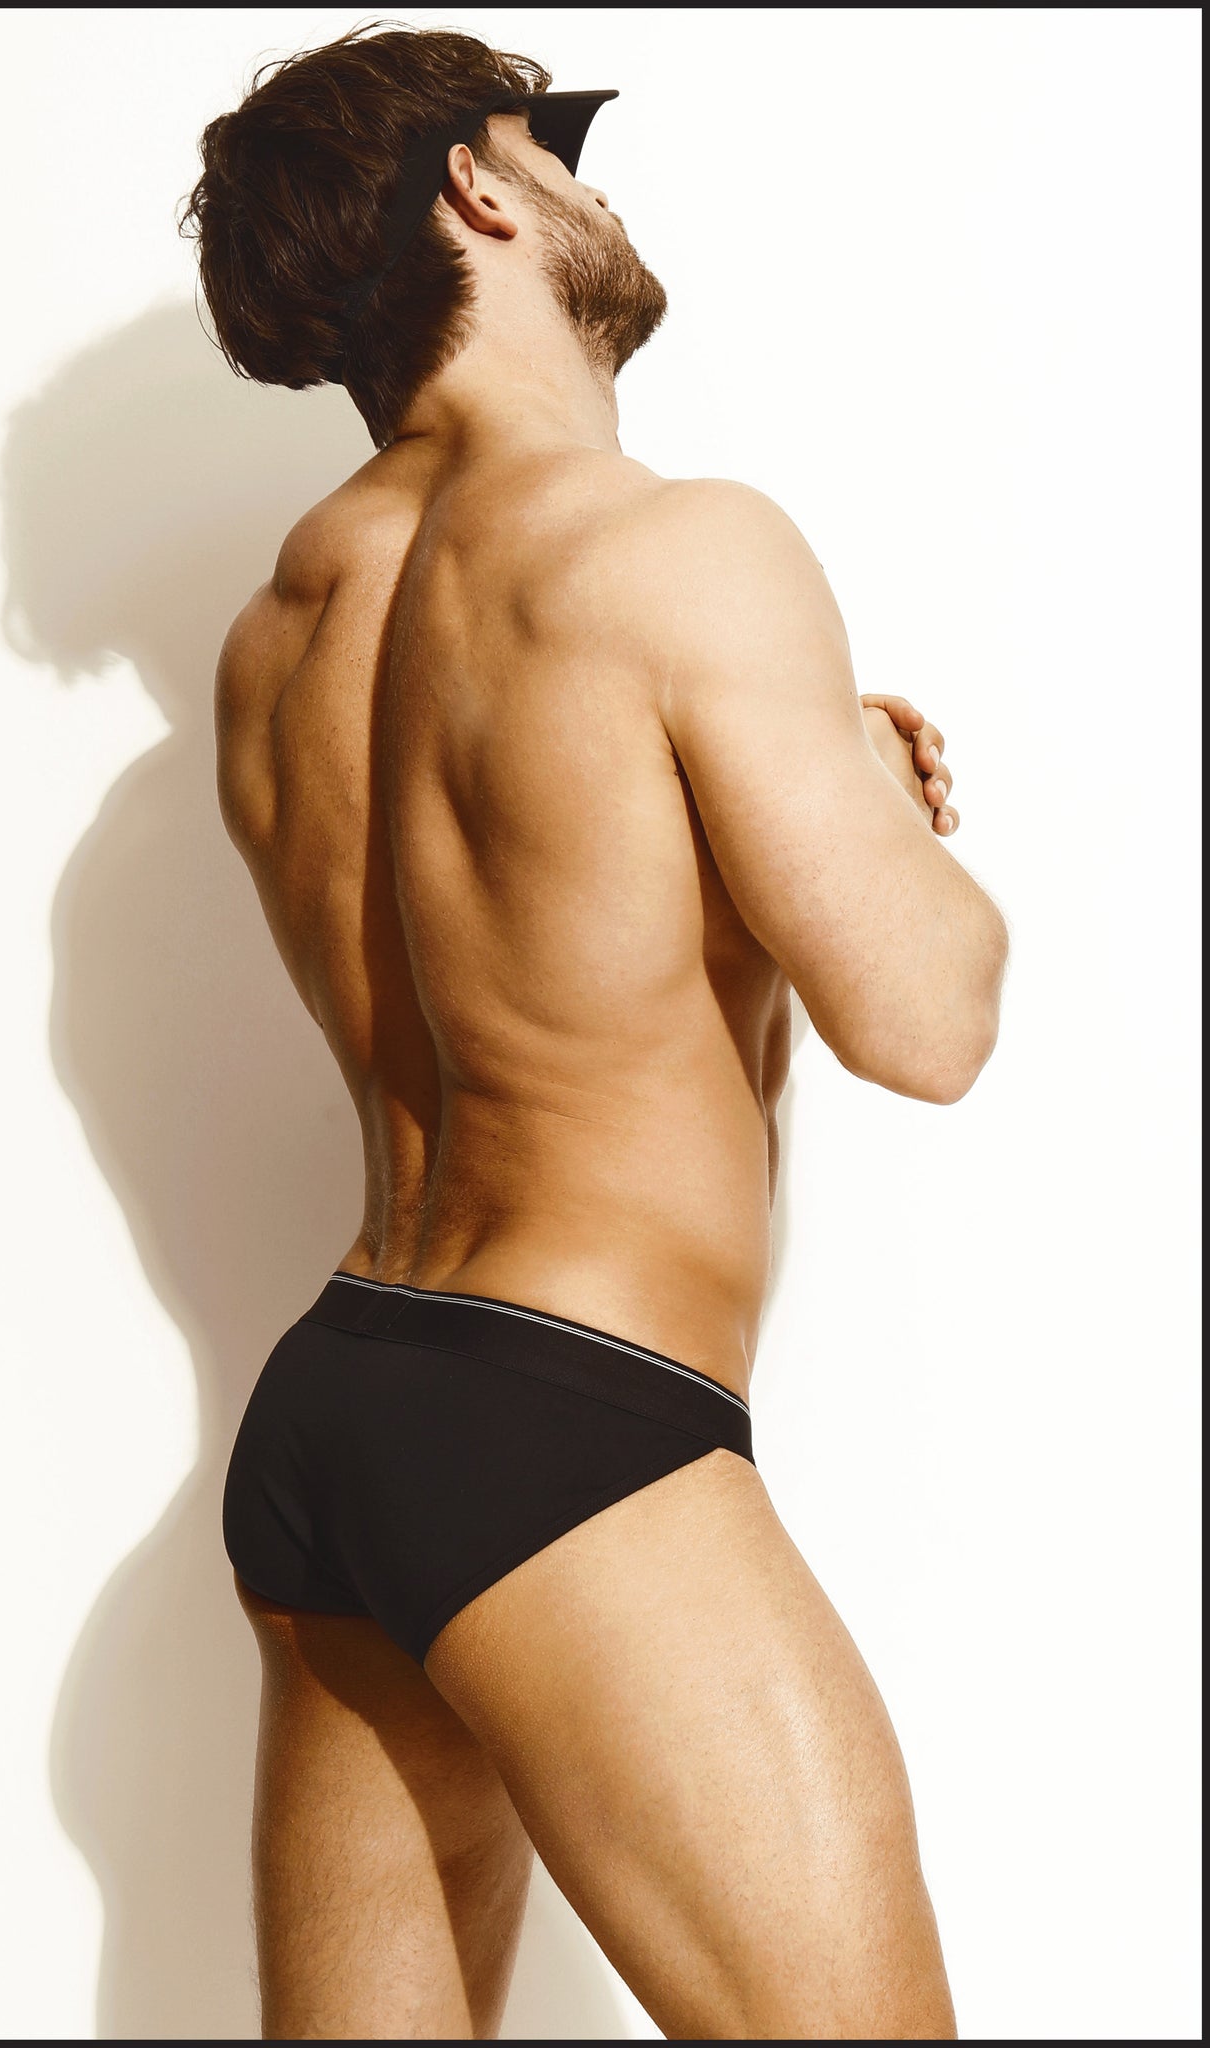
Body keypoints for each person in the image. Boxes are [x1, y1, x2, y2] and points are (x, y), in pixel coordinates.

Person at [182, 23, 1008, 2040]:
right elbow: (923, 1019)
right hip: (572, 1417)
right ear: (479, 190)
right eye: (554, 149)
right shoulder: (675, 546)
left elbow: (519, 930)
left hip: (337, 1407)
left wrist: (771, 797)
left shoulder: (280, 635)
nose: (594, 187)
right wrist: (861, 798)